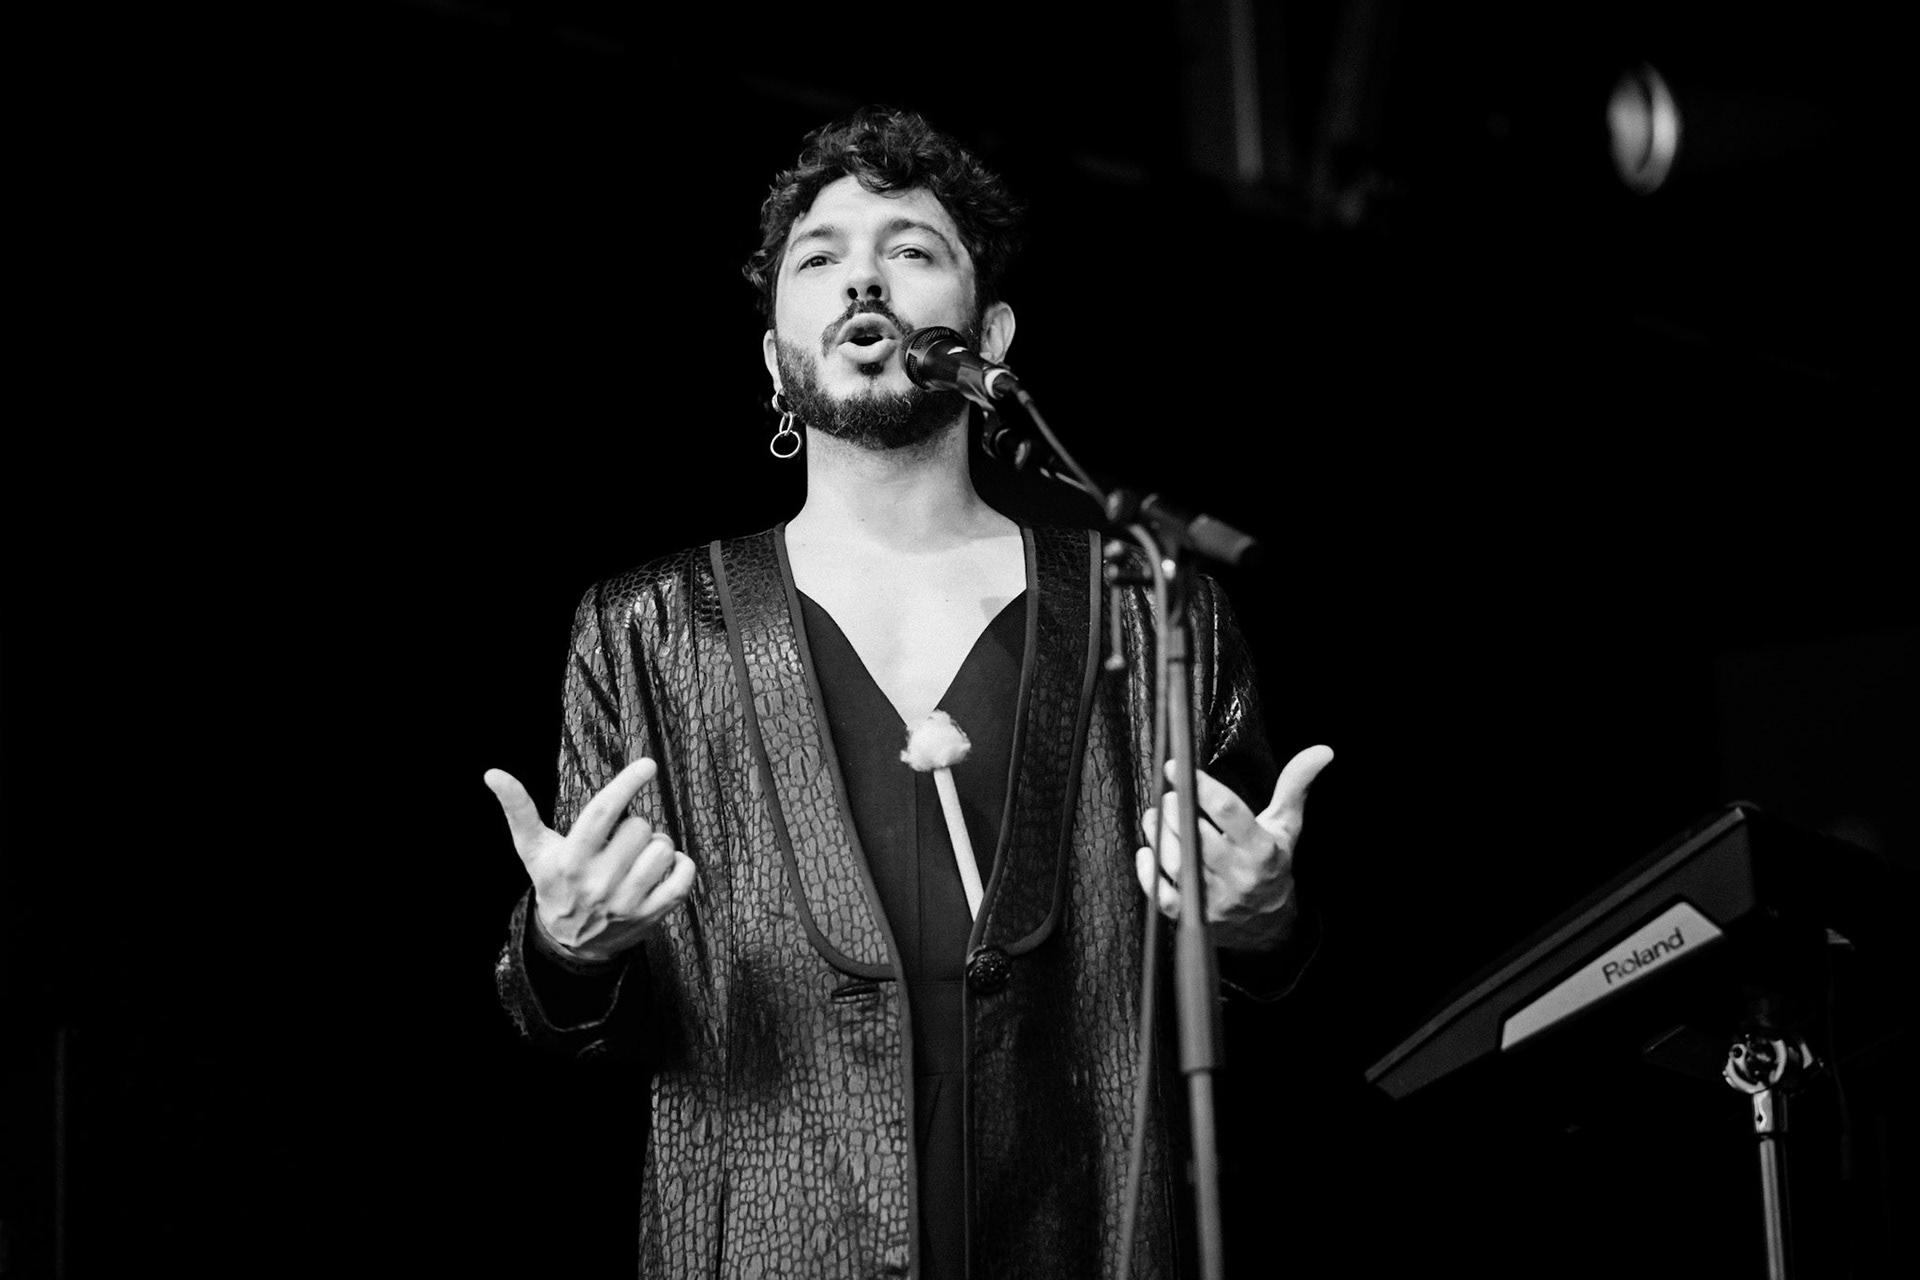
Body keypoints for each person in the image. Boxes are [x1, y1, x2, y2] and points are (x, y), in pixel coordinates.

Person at [486, 106, 1333, 1280]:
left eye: (911, 248)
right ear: (774, 353)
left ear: (989, 332)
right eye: (819, 257)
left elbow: (1273, 996)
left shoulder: (1148, 605)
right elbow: (578, 1024)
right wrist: (568, 947)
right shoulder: (648, 630)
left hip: (1082, 1228)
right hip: (767, 1242)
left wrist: (1263, 922)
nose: (862, 278)